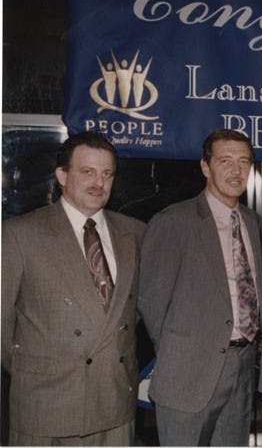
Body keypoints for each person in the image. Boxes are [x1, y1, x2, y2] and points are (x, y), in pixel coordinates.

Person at [1, 131, 145, 445]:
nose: (99, 182)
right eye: (88, 171)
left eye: (107, 174)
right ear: (62, 175)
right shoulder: (18, 234)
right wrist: (37, 372)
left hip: (115, 402)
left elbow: (130, 315)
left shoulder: (134, 233)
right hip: (47, 406)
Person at [138, 129, 262, 446]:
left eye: (244, 162)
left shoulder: (251, 221)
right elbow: (152, 303)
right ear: (205, 166)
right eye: (225, 161)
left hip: (242, 369)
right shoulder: (174, 221)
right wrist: (185, 351)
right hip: (188, 375)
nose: (236, 171)